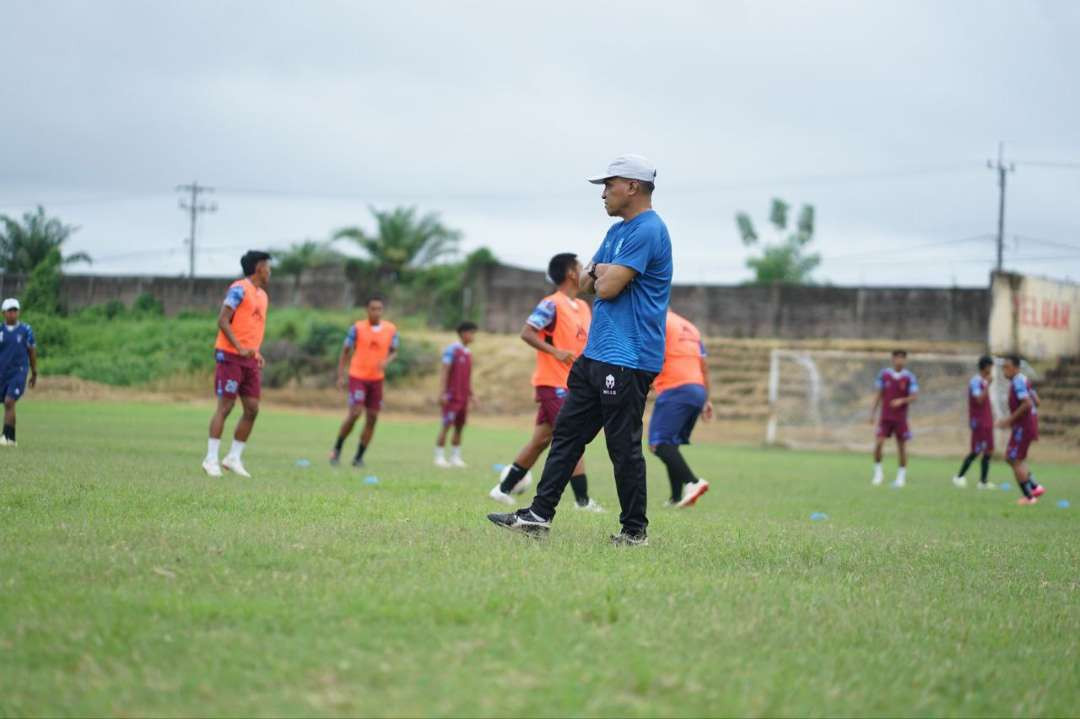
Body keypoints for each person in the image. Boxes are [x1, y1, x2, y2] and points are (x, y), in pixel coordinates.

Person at [488, 153, 672, 545]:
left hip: (628, 358)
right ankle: (538, 515)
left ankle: (634, 531)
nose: (603, 193)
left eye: (608, 185)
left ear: (632, 187)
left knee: (622, 447)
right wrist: (604, 272)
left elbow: (603, 286)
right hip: (597, 355)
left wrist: (604, 273)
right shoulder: (617, 232)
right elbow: (589, 281)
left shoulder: (648, 230)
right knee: (567, 434)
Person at [488, 253, 603, 512]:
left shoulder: (584, 308)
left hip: (573, 384)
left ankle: (503, 489)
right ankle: (583, 502)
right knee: (572, 436)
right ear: (572, 273)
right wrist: (555, 353)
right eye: (579, 265)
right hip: (553, 383)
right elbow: (526, 332)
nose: (584, 268)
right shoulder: (551, 304)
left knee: (541, 440)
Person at [203, 250, 271, 478]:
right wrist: (239, 347)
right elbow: (222, 320)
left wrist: (255, 352)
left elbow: (251, 327)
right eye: (267, 266)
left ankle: (233, 457)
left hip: (249, 359)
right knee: (226, 407)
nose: (269, 270)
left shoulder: (262, 295)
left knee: (252, 409)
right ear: (258, 267)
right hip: (230, 355)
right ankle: (210, 458)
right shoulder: (239, 288)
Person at [649, 309, 713, 507]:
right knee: (671, 443)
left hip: (675, 388)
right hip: (697, 389)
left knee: (658, 444)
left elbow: (651, 354)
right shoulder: (690, 327)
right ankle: (676, 497)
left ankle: (693, 482)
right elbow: (703, 366)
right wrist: (706, 399)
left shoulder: (657, 321)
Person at [331, 295, 399, 467]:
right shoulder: (357, 328)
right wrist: (340, 375)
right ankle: (337, 449)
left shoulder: (390, 329)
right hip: (358, 376)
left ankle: (359, 457)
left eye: (380, 309)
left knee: (373, 417)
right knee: (355, 413)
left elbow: (394, 351)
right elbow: (345, 352)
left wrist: (387, 361)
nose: (377, 312)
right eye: (373, 309)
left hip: (377, 379)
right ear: (366, 310)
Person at [997, 355, 1046, 505]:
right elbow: (1036, 401)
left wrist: (1008, 420)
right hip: (1026, 425)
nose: (1004, 371)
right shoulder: (1024, 380)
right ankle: (1035, 487)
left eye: (1007, 367)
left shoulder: (1018, 381)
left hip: (1023, 427)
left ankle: (1030, 497)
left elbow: (1027, 404)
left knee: (1014, 459)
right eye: (1003, 367)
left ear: (1016, 368)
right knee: (1012, 458)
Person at [870, 350, 918, 488]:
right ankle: (878, 474)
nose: (899, 361)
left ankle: (901, 477)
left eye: (902, 358)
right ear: (892, 359)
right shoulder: (884, 375)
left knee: (901, 447)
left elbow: (914, 396)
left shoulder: (909, 377)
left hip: (900, 418)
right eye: (897, 358)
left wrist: (901, 400)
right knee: (878, 443)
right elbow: (879, 394)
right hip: (885, 417)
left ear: (905, 360)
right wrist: (872, 413)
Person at [435, 321, 478, 467]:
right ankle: (439, 457)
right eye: (471, 333)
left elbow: (467, 376)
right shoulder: (452, 350)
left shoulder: (468, 353)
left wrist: (472, 394)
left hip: (463, 397)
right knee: (446, 425)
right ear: (463, 334)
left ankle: (455, 457)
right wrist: (442, 393)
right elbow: (445, 371)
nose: (473, 336)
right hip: (452, 396)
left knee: (460, 427)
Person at [952, 355, 995, 489]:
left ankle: (983, 482)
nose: (992, 370)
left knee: (988, 451)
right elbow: (979, 400)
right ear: (986, 367)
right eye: (991, 367)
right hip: (978, 421)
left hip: (987, 421)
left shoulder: (984, 381)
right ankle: (959, 477)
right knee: (976, 450)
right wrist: (988, 385)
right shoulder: (976, 382)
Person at [0, 298, 37, 447]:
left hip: (19, 372)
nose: (13, 314)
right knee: (8, 404)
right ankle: (12, 439)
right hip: (2, 372)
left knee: (10, 401)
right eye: (10, 311)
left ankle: (6, 436)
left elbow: (32, 352)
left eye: (15, 310)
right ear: (4, 313)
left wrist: (34, 372)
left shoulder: (26, 330)